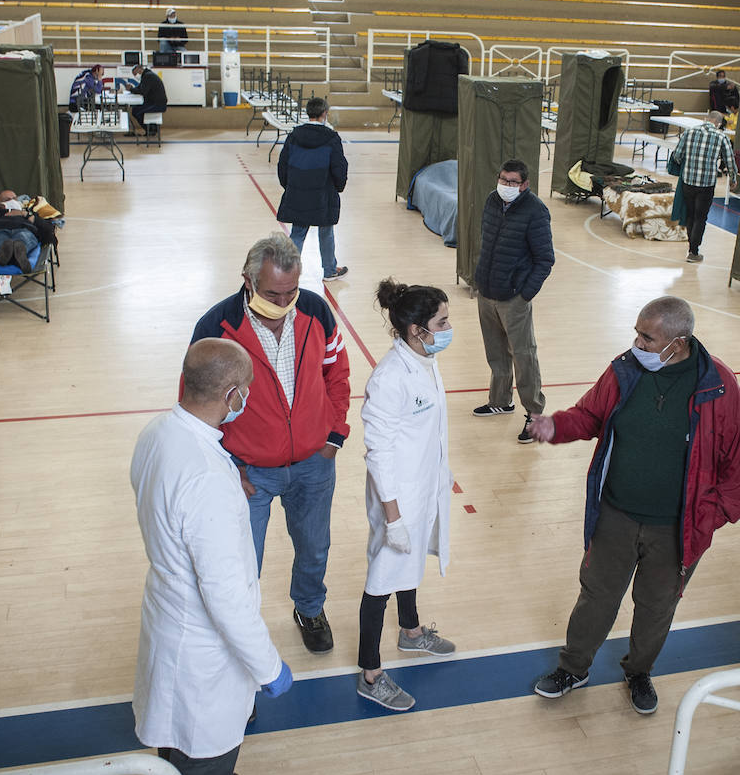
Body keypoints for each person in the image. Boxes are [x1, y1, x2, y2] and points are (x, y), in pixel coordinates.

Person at [526, 296, 740, 715]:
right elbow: (590, 415)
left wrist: (707, 519)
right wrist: (554, 426)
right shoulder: (625, 369)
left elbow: (738, 473)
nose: (637, 343)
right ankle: (573, 668)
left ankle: (639, 672)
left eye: (647, 337)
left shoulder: (719, 387)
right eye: (636, 332)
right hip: (615, 515)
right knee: (596, 596)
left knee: (656, 607)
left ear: (678, 342)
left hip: (676, 529)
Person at [131, 338, 292, 775]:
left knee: (177, 739)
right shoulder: (206, 478)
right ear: (231, 394)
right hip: (201, 651)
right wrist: (268, 667)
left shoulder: (158, 433)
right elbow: (224, 598)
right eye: (246, 391)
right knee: (201, 756)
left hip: (168, 616)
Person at [190, 233, 351, 655]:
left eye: (291, 292)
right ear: (247, 280)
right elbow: (195, 409)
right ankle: (240, 639)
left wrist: (334, 435)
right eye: (272, 294)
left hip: (314, 465)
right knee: (243, 565)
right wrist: (228, 466)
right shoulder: (215, 328)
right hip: (248, 473)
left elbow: (337, 373)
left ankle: (309, 609)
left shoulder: (316, 310)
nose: (283, 304)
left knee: (315, 549)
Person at [356, 279, 458, 712]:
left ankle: (411, 632)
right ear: (418, 330)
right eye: (443, 321)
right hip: (397, 496)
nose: (449, 327)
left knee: (411, 563)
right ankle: (370, 673)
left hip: (423, 488)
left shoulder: (423, 359)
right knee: (382, 579)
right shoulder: (390, 378)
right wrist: (393, 518)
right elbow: (378, 453)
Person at [472, 158, 554, 444]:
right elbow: (486, 241)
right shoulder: (492, 201)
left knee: (524, 355)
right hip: (487, 291)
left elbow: (545, 259)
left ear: (525, 184)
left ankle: (534, 413)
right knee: (496, 352)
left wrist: (525, 293)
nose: (506, 186)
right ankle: (500, 400)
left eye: (512, 182)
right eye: (503, 180)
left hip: (514, 298)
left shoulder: (536, 211)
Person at [277, 97, 349, 282]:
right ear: (324, 114)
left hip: (298, 192)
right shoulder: (332, 138)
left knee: (298, 233)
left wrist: (290, 186)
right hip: (323, 194)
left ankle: (288, 273)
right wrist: (338, 187)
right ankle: (330, 270)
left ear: (307, 113)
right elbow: (339, 167)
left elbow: (282, 164)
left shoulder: (294, 136)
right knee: (326, 232)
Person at [669, 113, 737, 264]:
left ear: (706, 119)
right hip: (706, 184)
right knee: (701, 218)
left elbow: (677, 155)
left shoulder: (689, 132)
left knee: (690, 215)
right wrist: (733, 179)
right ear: (718, 123)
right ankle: (694, 252)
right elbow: (730, 160)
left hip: (688, 181)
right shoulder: (721, 137)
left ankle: (691, 248)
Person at [0, 189, 46, 271]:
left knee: (23, 238)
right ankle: (6, 256)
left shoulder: (28, 211)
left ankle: (18, 255)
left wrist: (27, 215)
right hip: (0, 229)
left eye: (14, 199)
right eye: (7, 200)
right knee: (0, 241)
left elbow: (46, 226)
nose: (12, 201)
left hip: (24, 228)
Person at [126, 63, 168, 134]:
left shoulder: (148, 76)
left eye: (135, 74)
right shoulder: (147, 75)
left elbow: (143, 91)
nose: (135, 76)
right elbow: (140, 88)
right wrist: (132, 89)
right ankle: (152, 129)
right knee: (137, 109)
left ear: (139, 69)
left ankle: (150, 130)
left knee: (136, 112)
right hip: (156, 102)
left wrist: (131, 89)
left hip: (158, 104)